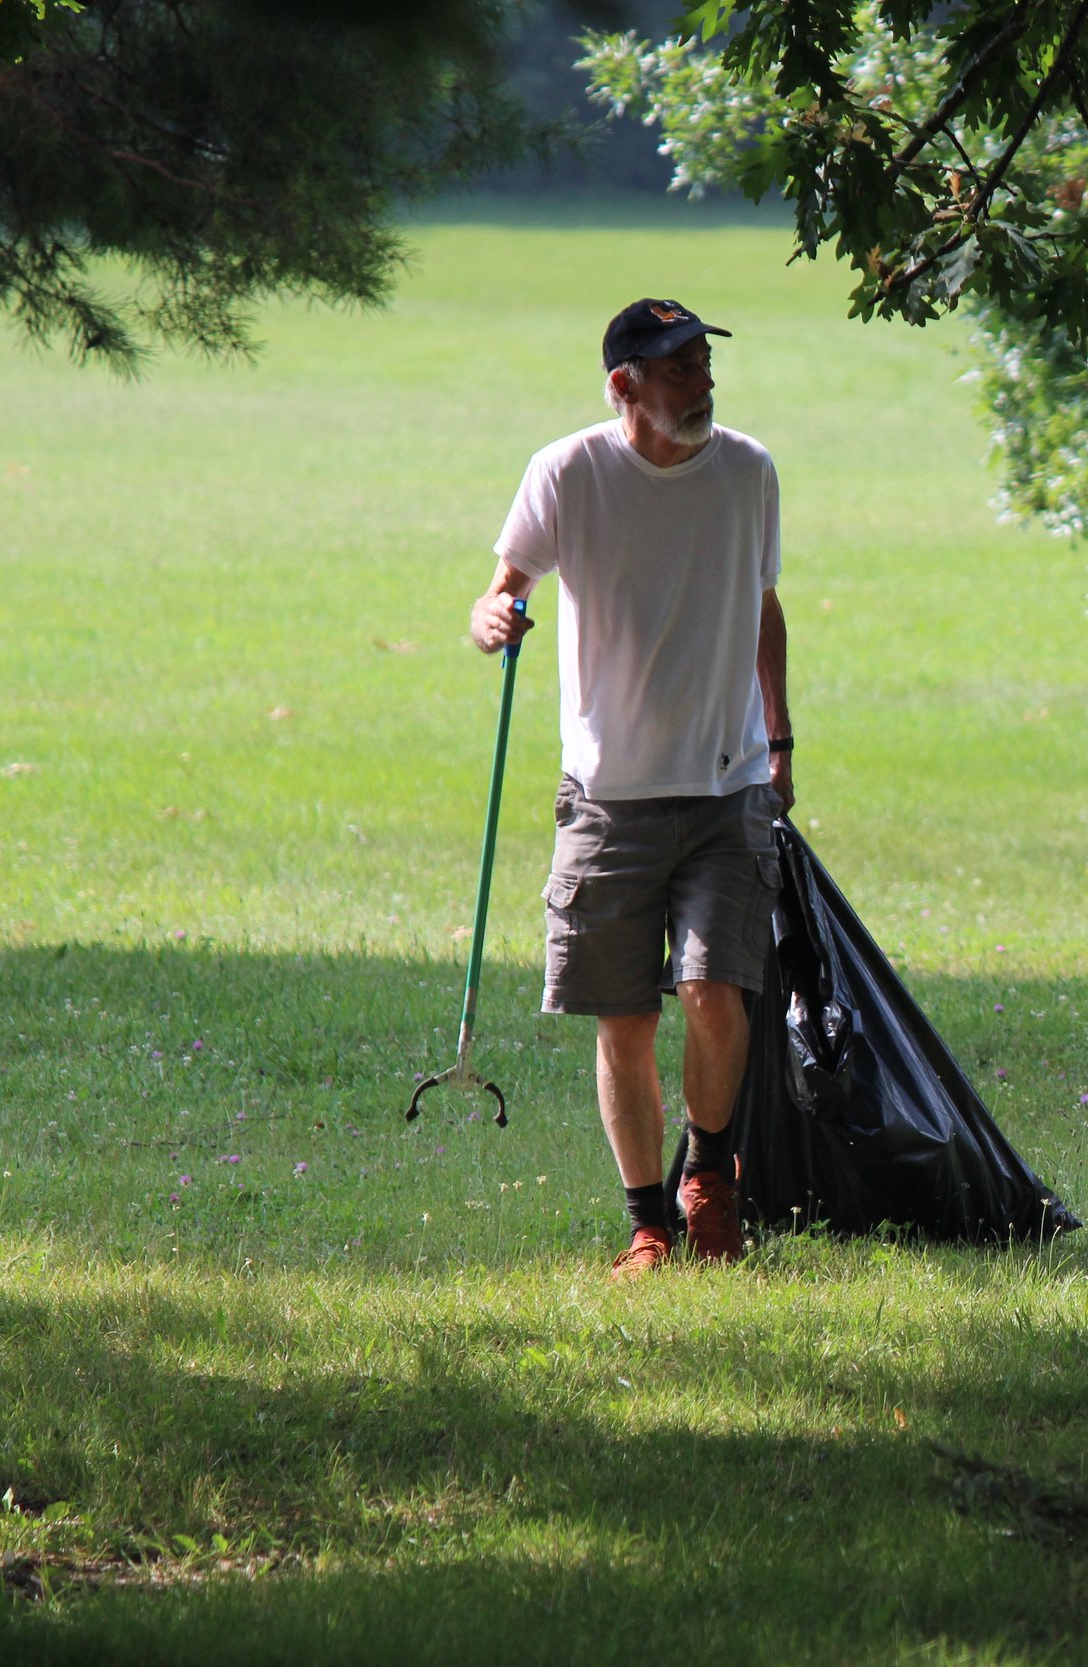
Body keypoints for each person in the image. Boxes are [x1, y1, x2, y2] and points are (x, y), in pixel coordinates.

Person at [469, 297, 792, 1278]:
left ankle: (713, 1181)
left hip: (725, 783)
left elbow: (763, 606)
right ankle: (648, 1222)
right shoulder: (566, 472)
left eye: (703, 362)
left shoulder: (748, 471)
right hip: (607, 792)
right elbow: (504, 586)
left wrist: (779, 737)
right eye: (680, 368)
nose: (701, 381)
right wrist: (492, 618)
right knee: (625, 1017)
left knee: (711, 988)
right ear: (625, 386)